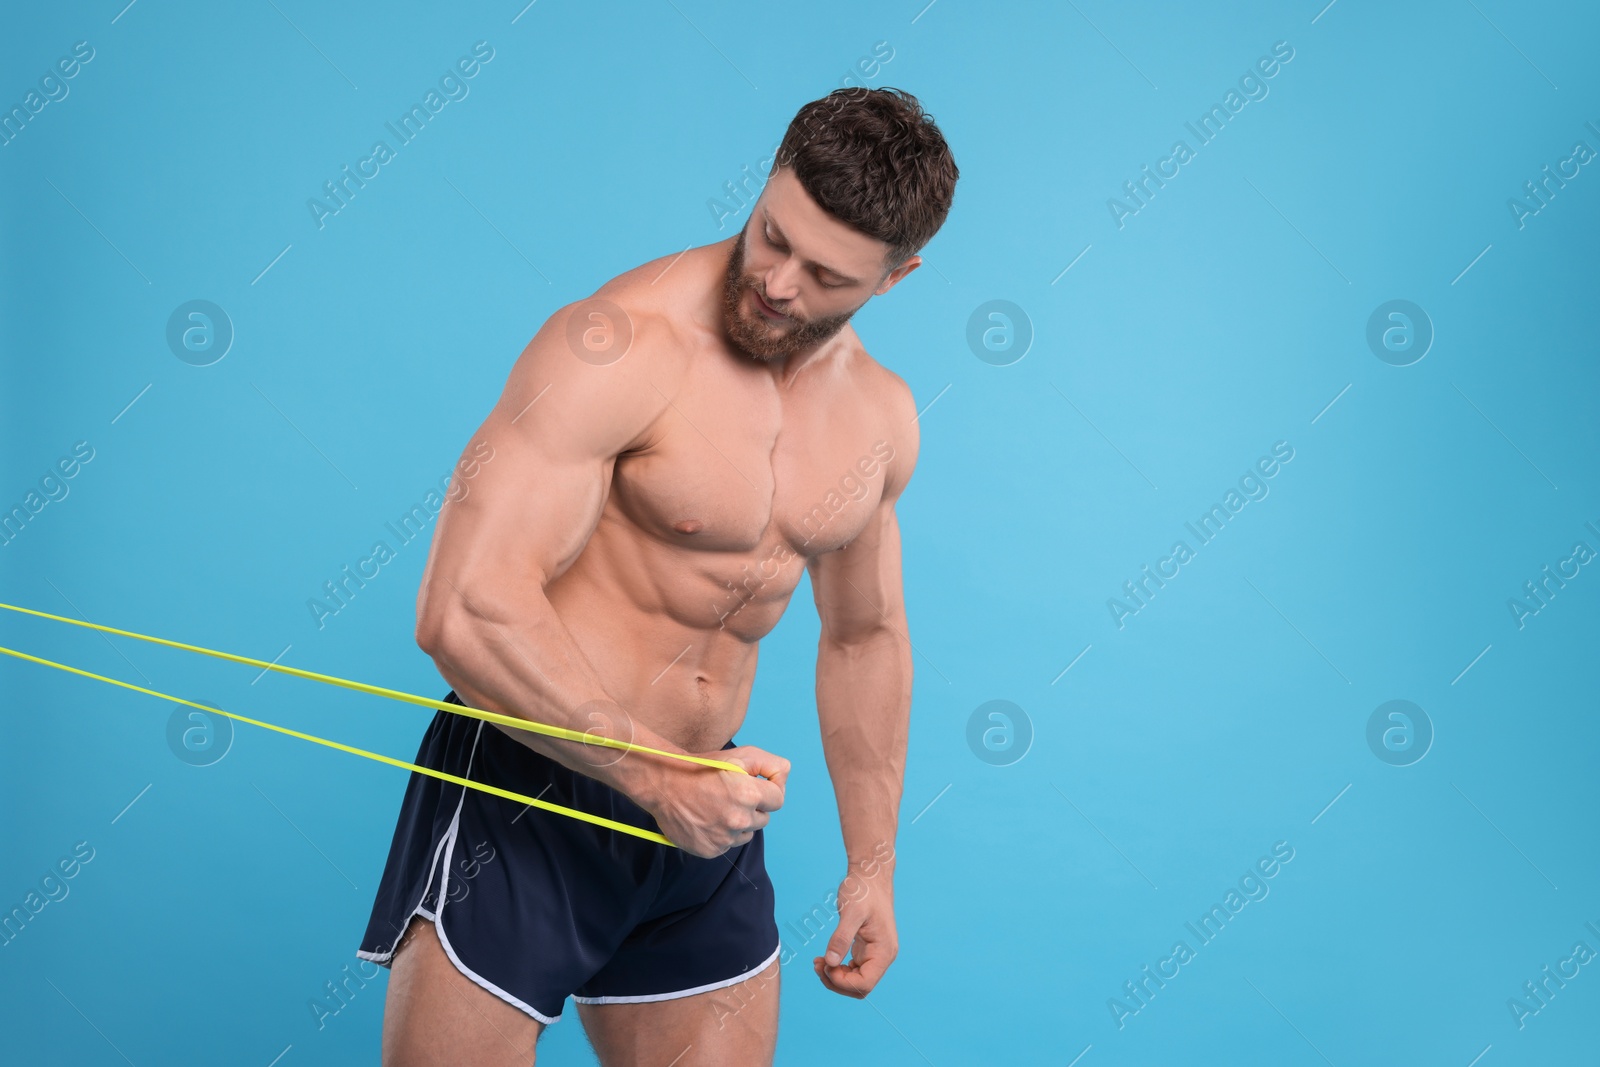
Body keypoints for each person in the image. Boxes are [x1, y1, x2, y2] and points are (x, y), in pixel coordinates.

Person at [357, 85, 959, 1066]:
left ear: (895, 277)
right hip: (526, 795)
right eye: (772, 235)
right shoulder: (618, 345)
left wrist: (871, 863)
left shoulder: (879, 419)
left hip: (702, 823)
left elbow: (864, 636)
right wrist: (647, 769)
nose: (775, 282)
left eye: (825, 275)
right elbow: (462, 604)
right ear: (766, 184)